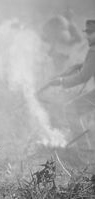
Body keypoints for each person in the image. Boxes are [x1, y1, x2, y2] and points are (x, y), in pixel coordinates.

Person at [47, 19, 95, 147]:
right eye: (87, 33)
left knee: (71, 109)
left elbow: (83, 77)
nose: (87, 36)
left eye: (91, 33)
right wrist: (82, 65)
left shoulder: (93, 50)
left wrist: (61, 81)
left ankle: (83, 148)